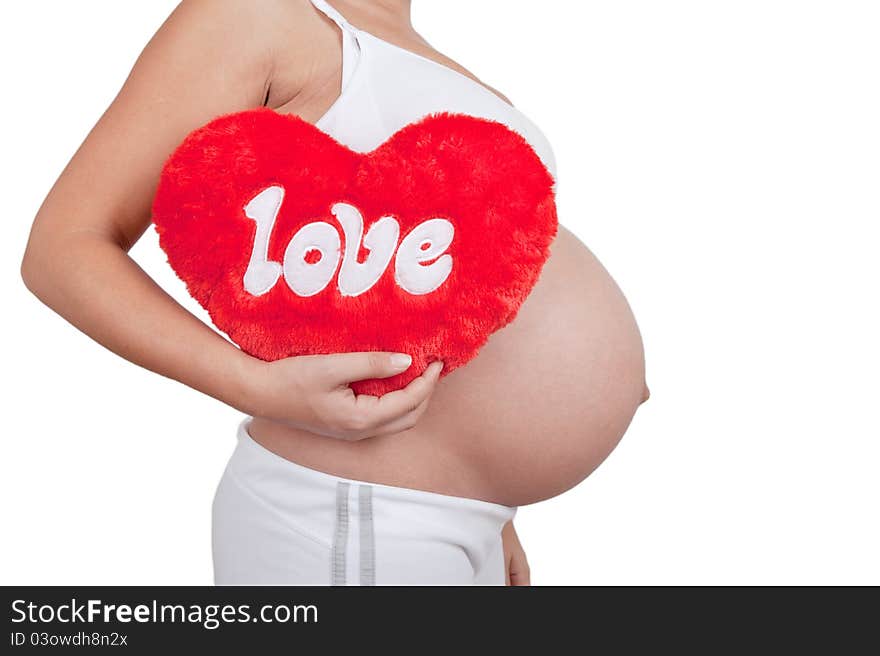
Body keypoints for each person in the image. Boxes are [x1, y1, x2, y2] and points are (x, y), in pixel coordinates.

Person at [21, 0, 648, 585]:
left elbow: (459, 303)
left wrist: (497, 503)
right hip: (351, 514)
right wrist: (253, 384)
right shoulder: (257, 15)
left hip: (447, 516)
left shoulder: (435, 59)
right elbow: (63, 247)